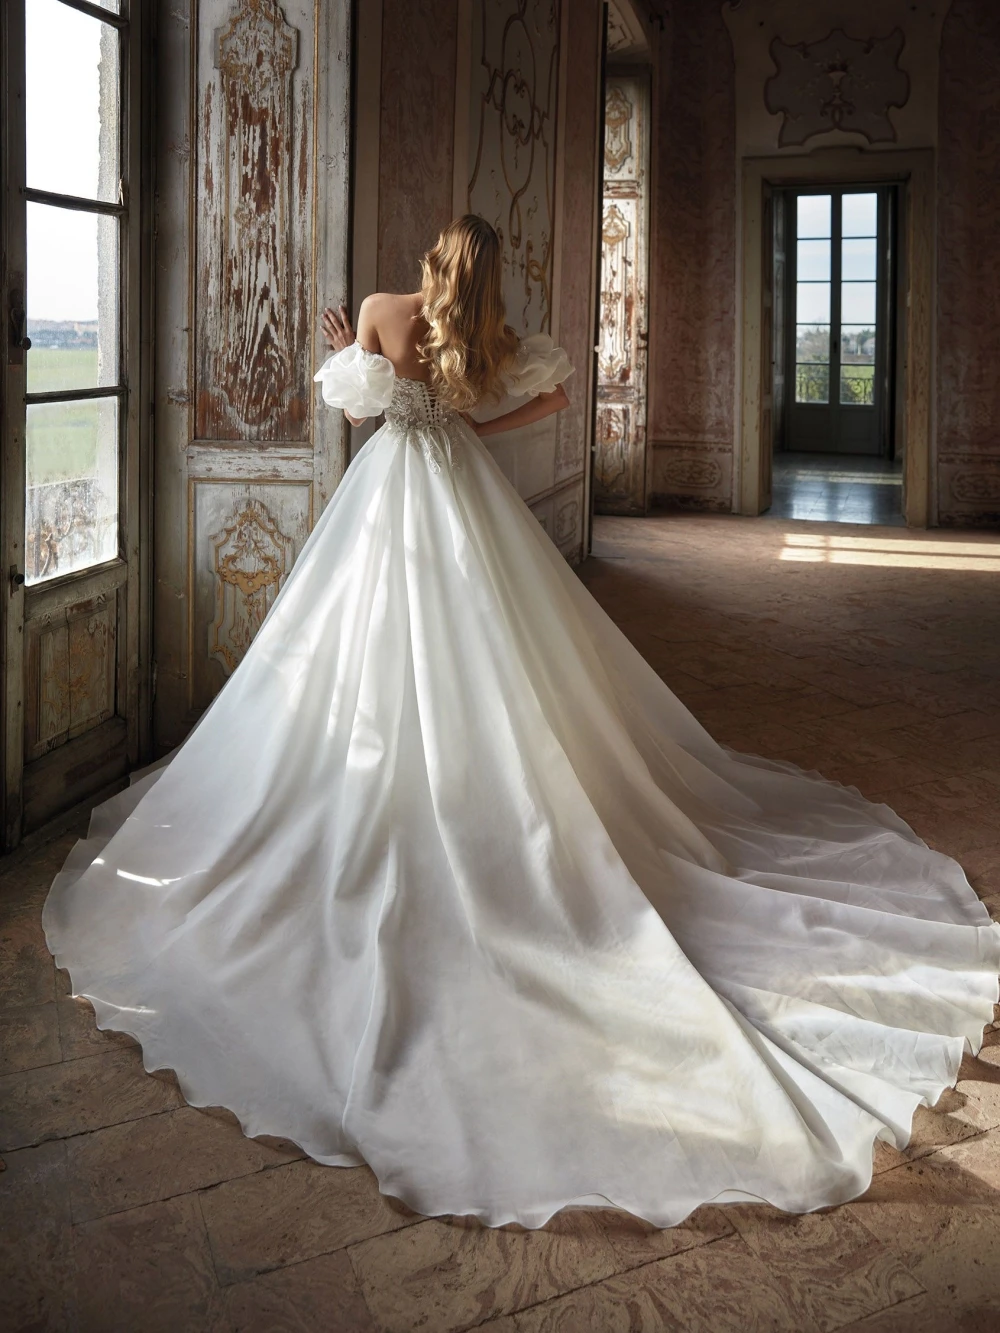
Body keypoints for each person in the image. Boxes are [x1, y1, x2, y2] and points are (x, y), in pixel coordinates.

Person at [43, 215, 1000, 1230]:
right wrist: (463, 424)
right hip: (458, 481)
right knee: (496, 643)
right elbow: (540, 400)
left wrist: (346, 351)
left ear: (427, 258)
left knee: (363, 645)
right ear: (484, 271)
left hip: (388, 492)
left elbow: (359, 416)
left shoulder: (378, 311)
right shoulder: (484, 332)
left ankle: (402, 778)